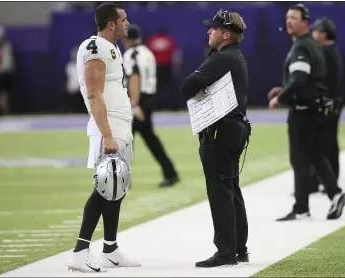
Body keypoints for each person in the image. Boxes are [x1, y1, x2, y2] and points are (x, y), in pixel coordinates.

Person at [67, 3, 140, 272]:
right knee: (105, 187)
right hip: (108, 128)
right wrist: (107, 134)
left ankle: (109, 249)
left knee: (116, 188)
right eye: (123, 19)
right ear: (111, 24)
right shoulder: (96, 46)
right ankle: (80, 251)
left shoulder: (112, 48)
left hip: (119, 126)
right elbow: (94, 93)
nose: (127, 23)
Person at [180, 10, 251, 268]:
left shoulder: (222, 58)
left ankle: (225, 253)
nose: (209, 31)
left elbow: (187, 85)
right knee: (231, 190)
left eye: (214, 28)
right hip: (235, 128)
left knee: (220, 192)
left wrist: (198, 87)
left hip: (221, 132)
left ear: (226, 34)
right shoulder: (235, 57)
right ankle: (239, 249)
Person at [267, 4, 345, 221]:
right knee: (314, 154)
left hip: (303, 111)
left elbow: (300, 80)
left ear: (305, 22)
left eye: (294, 18)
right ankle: (335, 193)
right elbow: (304, 79)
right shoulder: (312, 45)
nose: (289, 21)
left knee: (300, 158)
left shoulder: (301, 47)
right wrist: (284, 89)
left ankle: (301, 207)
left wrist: (280, 97)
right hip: (314, 108)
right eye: (287, 18)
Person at [122, 24, 180, 188]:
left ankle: (124, 179)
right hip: (149, 98)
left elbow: (134, 79)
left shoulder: (131, 54)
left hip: (137, 99)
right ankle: (171, 173)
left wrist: (134, 105)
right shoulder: (148, 53)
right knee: (149, 139)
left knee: (125, 140)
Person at [309, 17, 343, 193]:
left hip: (329, 103)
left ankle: (328, 181)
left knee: (326, 143)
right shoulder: (331, 51)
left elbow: (327, 81)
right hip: (333, 102)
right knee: (327, 142)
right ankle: (325, 180)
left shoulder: (326, 53)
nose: (313, 34)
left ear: (323, 34)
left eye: (316, 31)